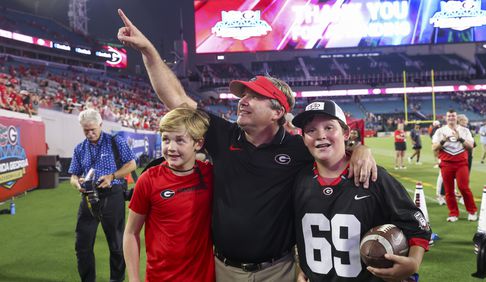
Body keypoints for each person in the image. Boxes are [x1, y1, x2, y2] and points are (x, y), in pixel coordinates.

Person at [117, 9, 377, 281]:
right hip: (224, 269)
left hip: (278, 270)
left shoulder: (298, 149)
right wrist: (147, 50)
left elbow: (334, 156)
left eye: (254, 97)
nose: (242, 100)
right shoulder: (223, 135)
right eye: (243, 95)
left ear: (277, 112)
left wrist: (360, 150)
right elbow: (177, 99)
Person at [291, 100, 431, 281]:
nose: (320, 135)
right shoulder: (299, 180)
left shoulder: (373, 176)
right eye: (311, 130)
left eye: (329, 127)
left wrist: (413, 262)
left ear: (346, 133)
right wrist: (305, 265)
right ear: (303, 139)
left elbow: (417, 226)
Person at [123, 107, 214, 282]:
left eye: (180, 141)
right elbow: (131, 233)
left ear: (198, 143)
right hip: (160, 277)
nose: (171, 148)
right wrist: (134, 279)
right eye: (166, 139)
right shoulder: (148, 180)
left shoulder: (212, 175)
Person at [68, 108, 137, 282]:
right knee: (82, 246)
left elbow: (132, 165)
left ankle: (116, 280)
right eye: (86, 130)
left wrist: (112, 176)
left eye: (93, 129)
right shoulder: (79, 148)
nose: (90, 133)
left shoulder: (115, 141)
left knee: (116, 246)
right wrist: (77, 183)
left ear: (100, 124)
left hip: (112, 196)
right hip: (88, 199)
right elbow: (73, 175)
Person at [432, 109, 477, 222]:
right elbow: (434, 147)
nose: (451, 118)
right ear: (446, 118)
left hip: (461, 163)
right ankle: (453, 213)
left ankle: (472, 211)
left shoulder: (465, 130)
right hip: (446, 163)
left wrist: (460, 138)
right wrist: (443, 140)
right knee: (449, 190)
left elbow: (470, 146)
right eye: (449, 116)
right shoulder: (440, 131)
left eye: (453, 116)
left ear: (456, 117)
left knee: (463, 187)